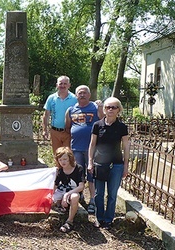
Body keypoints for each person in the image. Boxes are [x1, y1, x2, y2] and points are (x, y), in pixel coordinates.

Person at [88, 97, 129, 229]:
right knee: (99, 194)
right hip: (100, 164)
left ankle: (108, 219)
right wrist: (90, 162)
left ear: (119, 110)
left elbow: (126, 146)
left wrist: (126, 166)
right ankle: (99, 218)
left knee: (112, 194)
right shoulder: (97, 125)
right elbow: (92, 144)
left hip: (116, 165)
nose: (110, 110)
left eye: (114, 107)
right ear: (104, 109)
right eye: (107, 107)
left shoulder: (122, 127)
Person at [65, 85, 104, 214]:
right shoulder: (71, 110)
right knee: (78, 173)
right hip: (76, 147)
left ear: (89, 95)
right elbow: (67, 127)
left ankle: (93, 200)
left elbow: (103, 120)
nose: (82, 95)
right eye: (79, 93)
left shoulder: (95, 107)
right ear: (76, 95)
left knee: (92, 173)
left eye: (85, 93)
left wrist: (100, 106)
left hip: (92, 148)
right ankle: (79, 195)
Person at [53, 147, 85, 233]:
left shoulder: (78, 168)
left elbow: (81, 186)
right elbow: (55, 185)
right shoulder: (60, 170)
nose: (63, 162)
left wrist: (67, 194)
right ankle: (60, 205)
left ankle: (69, 221)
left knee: (75, 197)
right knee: (51, 199)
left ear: (70, 158)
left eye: (65, 159)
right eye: (60, 160)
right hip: (62, 190)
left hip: (73, 191)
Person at [42, 76, 77, 154]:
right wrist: (45, 130)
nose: (63, 86)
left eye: (65, 84)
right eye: (61, 84)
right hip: (55, 132)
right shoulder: (51, 98)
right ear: (57, 85)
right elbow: (46, 115)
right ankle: (58, 166)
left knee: (68, 155)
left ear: (69, 85)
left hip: (69, 132)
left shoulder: (74, 99)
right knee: (57, 154)